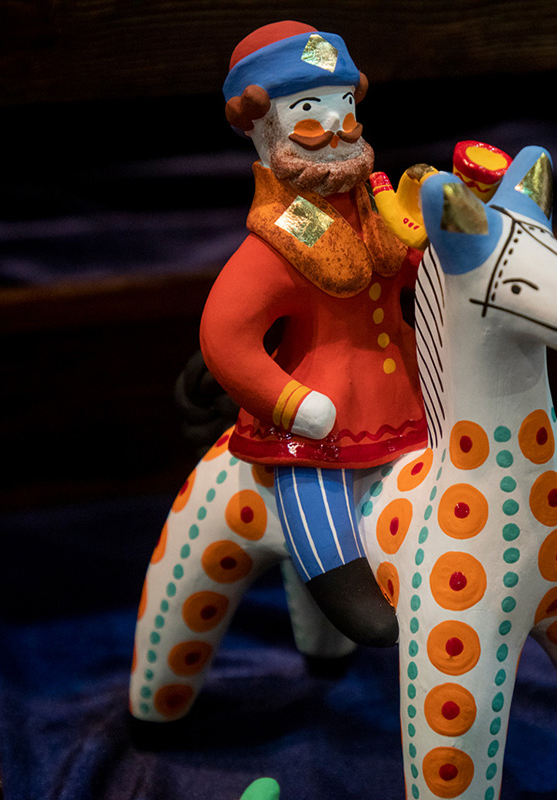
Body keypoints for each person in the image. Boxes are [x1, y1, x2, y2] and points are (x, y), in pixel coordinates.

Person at [201, 21, 427, 646]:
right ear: (258, 123)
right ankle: (336, 572)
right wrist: (291, 403)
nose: (336, 126)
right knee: (312, 468)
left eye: (344, 104)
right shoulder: (281, 234)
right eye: (307, 110)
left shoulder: (375, 206)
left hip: (404, 392)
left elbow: (409, 269)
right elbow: (225, 335)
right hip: (322, 408)